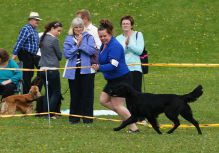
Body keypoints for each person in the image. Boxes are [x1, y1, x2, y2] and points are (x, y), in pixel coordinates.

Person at [92, 19, 139, 133]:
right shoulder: (104, 45)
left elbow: (114, 65)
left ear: (110, 34)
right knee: (103, 100)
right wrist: (98, 67)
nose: (103, 38)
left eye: (105, 36)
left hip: (121, 79)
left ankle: (134, 127)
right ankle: (127, 117)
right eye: (101, 36)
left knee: (118, 105)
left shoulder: (115, 46)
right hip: (112, 80)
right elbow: (104, 61)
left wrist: (100, 68)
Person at [63, 17, 96, 124]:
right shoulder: (68, 38)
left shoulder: (89, 37)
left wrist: (81, 44)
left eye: (80, 27)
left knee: (87, 94)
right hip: (73, 71)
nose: (78, 29)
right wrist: (76, 45)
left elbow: (91, 50)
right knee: (75, 94)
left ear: (83, 27)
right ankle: (74, 118)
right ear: (72, 28)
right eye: (76, 27)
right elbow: (67, 54)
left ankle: (87, 119)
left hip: (86, 71)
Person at [12, 12, 42, 94]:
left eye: (38, 20)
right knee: (27, 75)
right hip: (25, 54)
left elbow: (35, 44)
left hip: (32, 55)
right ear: (31, 20)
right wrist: (14, 54)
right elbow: (20, 41)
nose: (37, 21)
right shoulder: (26, 28)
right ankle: (26, 94)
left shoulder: (34, 30)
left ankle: (31, 89)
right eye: (36, 20)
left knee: (39, 72)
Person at [38, 21, 63, 118]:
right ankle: (49, 114)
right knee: (56, 92)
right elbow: (59, 56)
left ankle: (45, 113)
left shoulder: (42, 37)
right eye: (58, 30)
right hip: (52, 69)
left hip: (43, 69)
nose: (59, 33)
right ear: (52, 28)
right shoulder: (54, 40)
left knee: (48, 92)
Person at [116, 15, 144, 92]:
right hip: (124, 70)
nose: (125, 25)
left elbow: (139, 51)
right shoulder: (118, 38)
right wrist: (126, 47)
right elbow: (118, 54)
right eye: (123, 23)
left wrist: (129, 45)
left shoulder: (138, 35)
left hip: (136, 68)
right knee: (126, 94)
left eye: (127, 23)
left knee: (137, 93)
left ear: (131, 25)